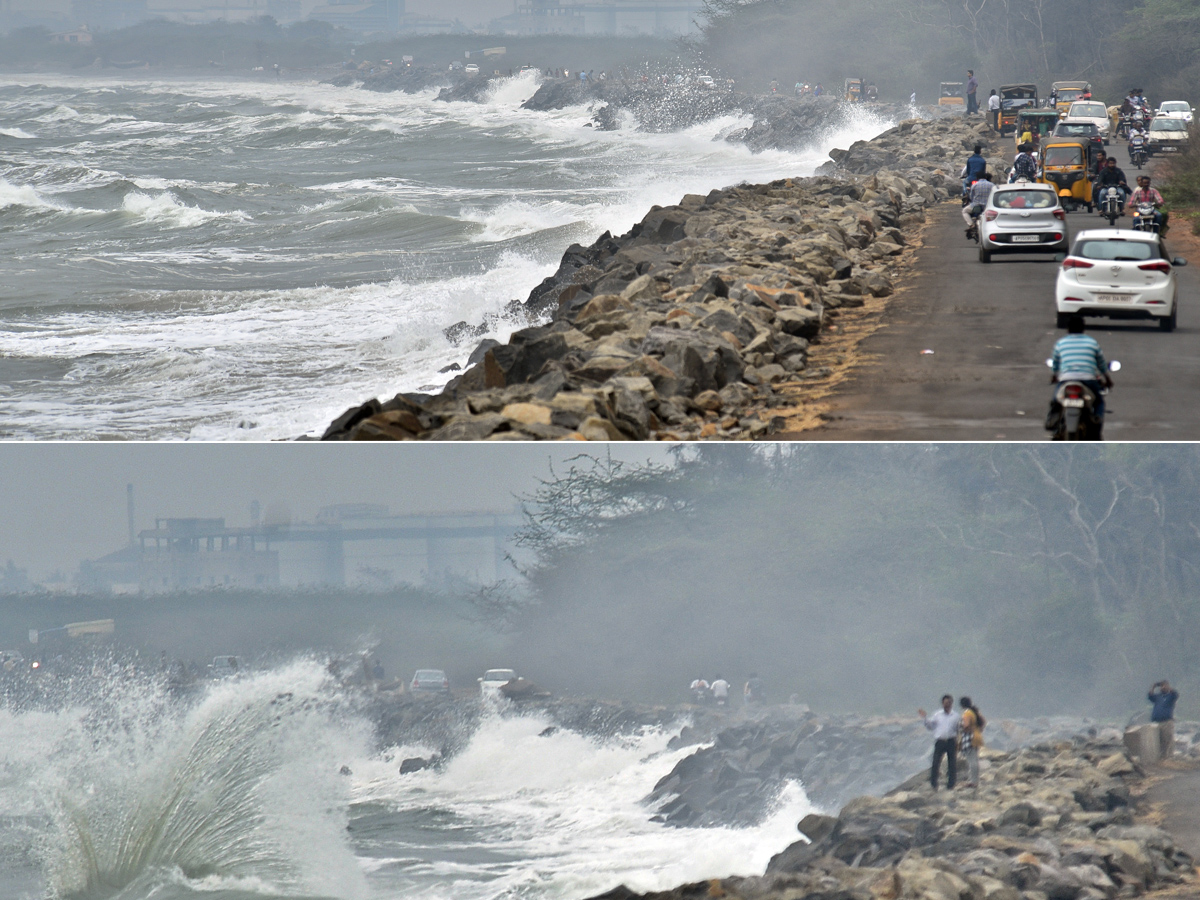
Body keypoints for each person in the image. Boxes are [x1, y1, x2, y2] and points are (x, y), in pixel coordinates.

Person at [1049, 315, 1112, 431]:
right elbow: (1101, 364)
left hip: (1066, 379)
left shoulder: (1060, 343)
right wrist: (1107, 379)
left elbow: (1056, 364)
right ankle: (1096, 420)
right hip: (1088, 379)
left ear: (1068, 329)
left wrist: (1054, 376)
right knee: (1098, 402)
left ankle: (1052, 421)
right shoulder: (1092, 343)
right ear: (1083, 328)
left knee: (1056, 401)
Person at [919, 695, 959, 790]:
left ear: (951, 703)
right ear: (942, 704)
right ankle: (934, 784)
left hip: (951, 741)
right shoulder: (937, 715)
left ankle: (951, 785)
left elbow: (958, 729)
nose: (947, 705)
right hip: (940, 741)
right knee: (935, 762)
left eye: (948, 703)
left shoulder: (956, 716)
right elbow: (930, 726)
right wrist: (925, 718)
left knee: (952, 763)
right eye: (945, 703)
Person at [958, 697, 985, 787]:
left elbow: (965, 725)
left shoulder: (966, 713)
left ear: (962, 705)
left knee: (971, 760)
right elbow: (983, 722)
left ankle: (973, 781)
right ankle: (975, 780)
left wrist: (960, 728)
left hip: (970, 738)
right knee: (975, 760)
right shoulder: (974, 712)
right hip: (977, 736)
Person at [1150, 680, 1179, 758]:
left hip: (1167, 722)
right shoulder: (1158, 697)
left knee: (1167, 739)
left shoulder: (1170, 696)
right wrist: (1153, 686)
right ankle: (1162, 756)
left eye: (1164, 686)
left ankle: (1168, 757)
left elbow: (1176, 694)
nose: (1162, 687)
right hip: (1157, 722)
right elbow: (1150, 696)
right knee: (1159, 740)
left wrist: (1168, 687)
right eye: (1161, 686)